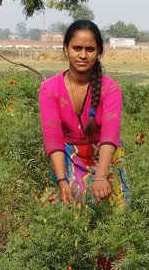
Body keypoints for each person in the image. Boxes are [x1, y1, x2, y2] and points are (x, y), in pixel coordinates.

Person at [39, 20, 129, 206]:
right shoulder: (49, 89)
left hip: (105, 155)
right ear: (66, 49)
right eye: (76, 48)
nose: (82, 55)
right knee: (73, 205)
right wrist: (62, 181)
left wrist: (101, 176)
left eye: (90, 49)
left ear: (99, 52)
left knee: (117, 209)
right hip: (69, 155)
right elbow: (53, 139)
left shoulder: (111, 89)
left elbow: (109, 136)